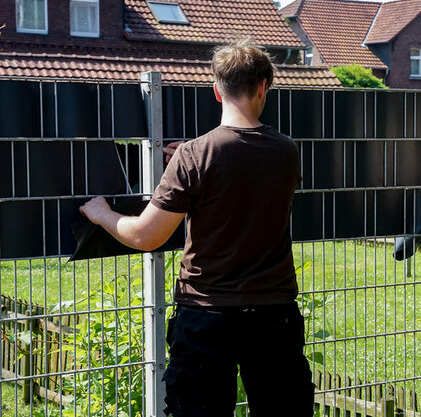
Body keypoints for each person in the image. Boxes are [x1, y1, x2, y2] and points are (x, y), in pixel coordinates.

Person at [79, 39, 314, 416]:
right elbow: (244, 163)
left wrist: (101, 213)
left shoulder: (195, 156)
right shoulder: (286, 151)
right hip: (274, 316)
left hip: (207, 318)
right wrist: (198, 157)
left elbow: (146, 235)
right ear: (263, 87)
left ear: (217, 90)